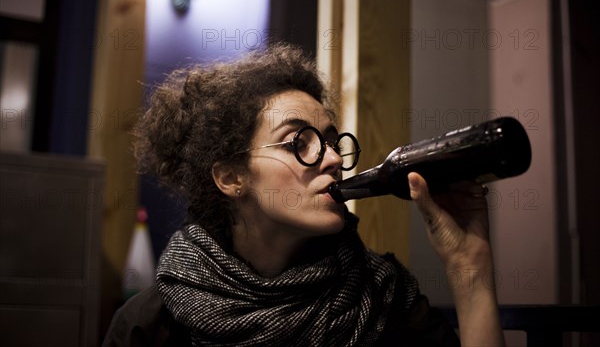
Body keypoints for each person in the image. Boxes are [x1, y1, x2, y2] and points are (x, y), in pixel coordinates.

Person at [103, 44, 505, 346]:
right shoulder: (153, 322)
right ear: (230, 177)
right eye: (299, 141)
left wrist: (470, 269)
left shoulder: (385, 298)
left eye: (332, 142)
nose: (332, 158)